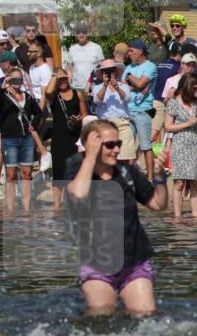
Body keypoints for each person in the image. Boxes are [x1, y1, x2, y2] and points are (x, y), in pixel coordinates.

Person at [65, 120, 168, 313]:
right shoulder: (77, 168)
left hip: (134, 261)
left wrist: (159, 177)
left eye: (118, 143)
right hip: (97, 263)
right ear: (93, 145)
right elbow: (78, 194)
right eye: (110, 145)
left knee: (146, 317)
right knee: (101, 320)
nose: (117, 150)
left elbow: (158, 204)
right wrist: (90, 156)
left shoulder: (126, 172)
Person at [0, 68, 44, 213]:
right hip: (9, 139)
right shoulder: (3, 96)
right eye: (14, 79)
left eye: (20, 79)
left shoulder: (27, 97)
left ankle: (26, 209)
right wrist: (2, 89)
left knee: (26, 173)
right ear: (8, 79)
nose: (17, 82)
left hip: (26, 139)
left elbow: (38, 113)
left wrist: (33, 124)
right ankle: (10, 209)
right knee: (10, 175)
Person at [164, 73, 197, 221]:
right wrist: (186, 124)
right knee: (179, 182)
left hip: (196, 144)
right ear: (186, 86)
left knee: (195, 182)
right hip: (180, 144)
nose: (196, 91)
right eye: (194, 88)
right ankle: (177, 216)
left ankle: (195, 215)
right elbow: (168, 127)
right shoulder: (173, 103)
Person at [44, 68, 86, 212]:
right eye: (59, 79)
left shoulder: (77, 94)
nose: (62, 81)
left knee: (73, 171)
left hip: (74, 136)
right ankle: (57, 206)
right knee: (58, 171)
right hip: (58, 138)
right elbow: (47, 92)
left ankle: (71, 204)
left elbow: (84, 114)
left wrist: (78, 119)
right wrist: (55, 76)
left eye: (64, 78)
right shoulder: (54, 96)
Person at [122, 40, 157, 176]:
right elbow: (123, 87)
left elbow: (141, 84)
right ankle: (129, 177)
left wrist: (129, 77)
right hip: (127, 110)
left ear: (141, 51)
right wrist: (134, 84)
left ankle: (150, 178)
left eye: (131, 51)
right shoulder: (128, 66)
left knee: (145, 146)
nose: (129, 54)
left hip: (142, 111)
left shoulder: (150, 66)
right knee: (128, 148)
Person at [65, 24, 104, 94]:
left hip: (92, 88)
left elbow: (102, 67)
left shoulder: (97, 48)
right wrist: (68, 85)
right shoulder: (72, 49)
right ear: (76, 35)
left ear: (88, 33)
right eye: (78, 32)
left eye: (83, 32)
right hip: (76, 88)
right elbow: (70, 69)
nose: (81, 34)